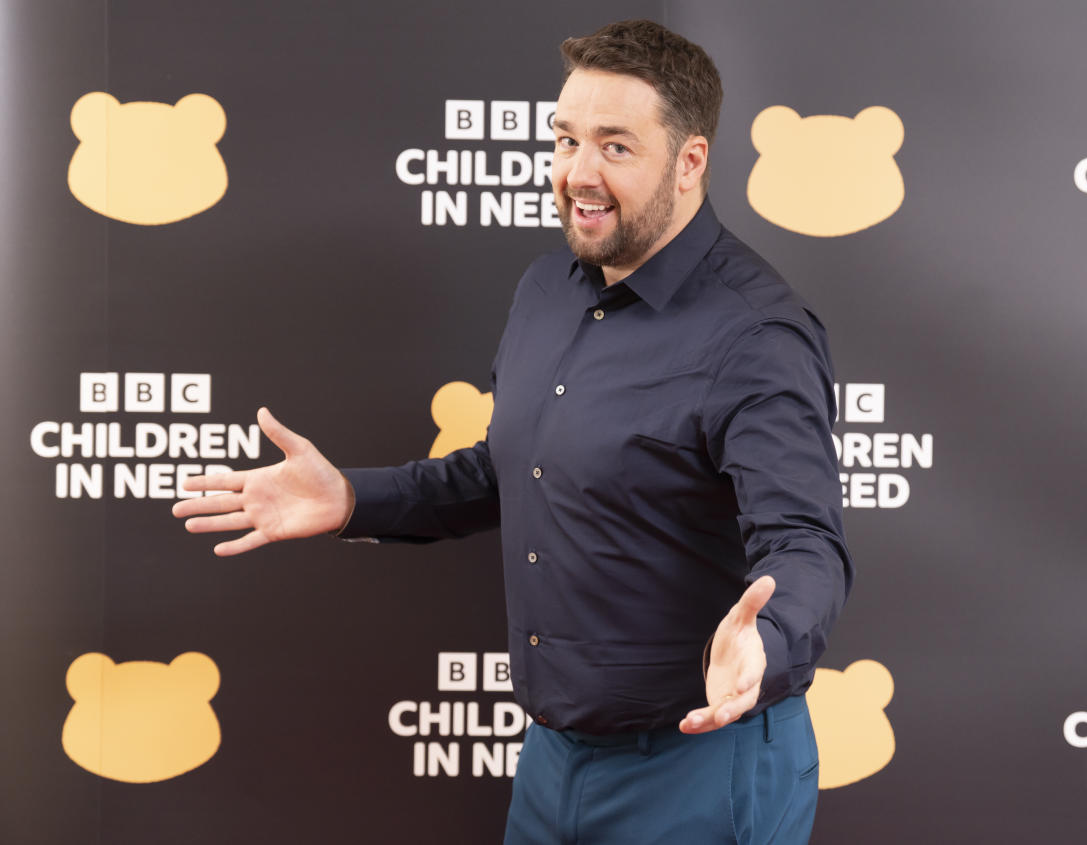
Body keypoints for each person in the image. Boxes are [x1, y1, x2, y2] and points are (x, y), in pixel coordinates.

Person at [172, 19, 852, 845]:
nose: (578, 173)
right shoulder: (546, 290)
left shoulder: (756, 336)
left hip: (703, 766)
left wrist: (767, 646)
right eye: (565, 140)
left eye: (614, 147)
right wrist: (353, 497)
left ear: (690, 161)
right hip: (552, 762)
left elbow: (805, 542)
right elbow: (506, 473)